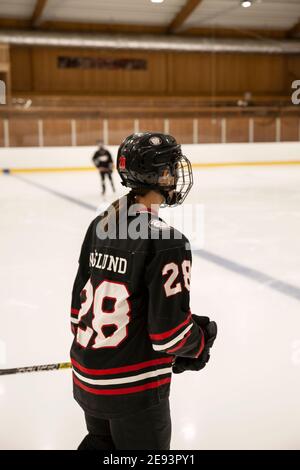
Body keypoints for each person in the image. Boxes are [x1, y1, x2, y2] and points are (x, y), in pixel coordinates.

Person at [70, 132, 217, 450]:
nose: (176, 174)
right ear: (162, 174)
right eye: (172, 167)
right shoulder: (167, 241)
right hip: (134, 391)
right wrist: (199, 341)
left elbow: (77, 314)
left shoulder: (100, 224)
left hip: (88, 379)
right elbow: (170, 336)